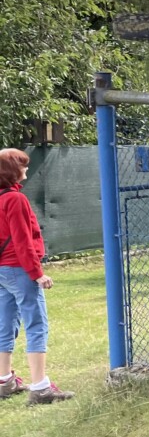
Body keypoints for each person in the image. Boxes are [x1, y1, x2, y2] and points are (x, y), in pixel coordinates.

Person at [0, 148, 72, 405]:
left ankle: (4, 381)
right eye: (23, 165)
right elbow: (22, 241)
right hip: (18, 269)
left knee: (4, 323)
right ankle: (41, 388)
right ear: (11, 171)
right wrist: (37, 273)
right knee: (36, 324)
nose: (26, 169)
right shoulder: (15, 199)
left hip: (2, 271)